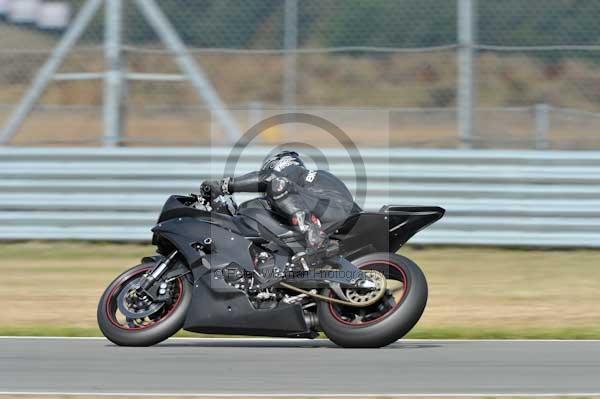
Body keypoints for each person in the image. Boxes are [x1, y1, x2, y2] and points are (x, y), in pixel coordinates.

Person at [201, 150, 357, 254]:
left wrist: (223, 186)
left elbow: (270, 178)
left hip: (334, 210)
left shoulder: (291, 171)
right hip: (340, 221)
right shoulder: (301, 190)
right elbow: (255, 207)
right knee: (254, 208)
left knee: (278, 184)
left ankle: (312, 231)